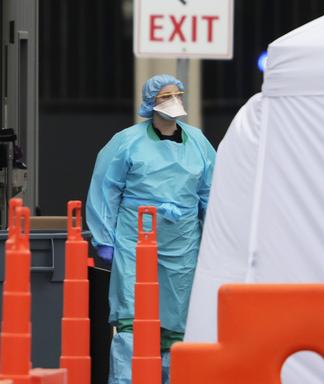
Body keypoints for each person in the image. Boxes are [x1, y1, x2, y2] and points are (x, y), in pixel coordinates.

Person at [86, 74, 216, 384]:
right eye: (165, 96)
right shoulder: (127, 141)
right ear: (150, 103)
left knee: (176, 321)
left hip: (182, 240)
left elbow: (211, 192)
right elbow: (105, 189)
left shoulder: (197, 141)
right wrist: (105, 239)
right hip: (135, 237)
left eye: (178, 94)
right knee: (131, 316)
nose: (174, 101)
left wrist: (215, 233)